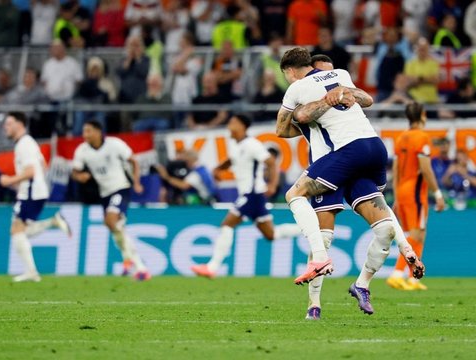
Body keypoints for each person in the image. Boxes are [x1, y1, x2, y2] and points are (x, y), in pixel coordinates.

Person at [276, 48, 424, 314]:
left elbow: (283, 126)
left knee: (307, 210)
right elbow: (292, 123)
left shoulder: (322, 87)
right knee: (335, 234)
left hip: (344, 158)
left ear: (289, 71)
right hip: (343, 160)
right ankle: (315, 305)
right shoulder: (329, 86)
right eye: (322, 69)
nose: (325, 74)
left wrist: (342, 94)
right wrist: (325, 102)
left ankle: (337, 274)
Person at [191, 114, 302, 278]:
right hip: (251, 195)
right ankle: (311, 231)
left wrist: (271, 185)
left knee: (227, 224)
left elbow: (270, 163)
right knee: (271, 234)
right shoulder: (234, 144)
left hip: (252, 193)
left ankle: (212, 267)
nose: (229, 126)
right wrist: (218, 169)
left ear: (243, 126)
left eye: (232, 122)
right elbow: (232, 159)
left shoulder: (252, 144)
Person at [71, 120, 150, 280]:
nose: (85, 135)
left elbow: (133, 161)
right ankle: (127, 259)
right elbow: (75, 172)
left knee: (111, 220)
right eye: (84, 131)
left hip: (121, 187)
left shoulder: (115, 144)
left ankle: (141, 267)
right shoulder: (82, 150)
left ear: (98, 131)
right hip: (104, 193)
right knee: (115, 226)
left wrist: (136, 182)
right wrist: (81, 176)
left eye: (88, 131)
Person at [0, 112, 72, 282]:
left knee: (16, 230)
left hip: (31, 191)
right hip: (35, 190)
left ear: (20, 124)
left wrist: (11, 180)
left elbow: (31, 171)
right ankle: (54, 221)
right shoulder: (29, 143)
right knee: (23, 231)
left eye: (9, 123)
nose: (6, 127)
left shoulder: (24, 144)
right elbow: (42, 165)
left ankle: (31, 272)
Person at [387, 103, 446, 290]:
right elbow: (426, 168)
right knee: (415, 234)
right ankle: (397, 273)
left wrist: (396, 195)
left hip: (403, 191)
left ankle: (414, 278)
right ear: (423, 115)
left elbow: (395, 170)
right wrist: (437, 193)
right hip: (415, 192)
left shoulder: (401, 138)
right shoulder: (422, 137)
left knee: (419, 235)